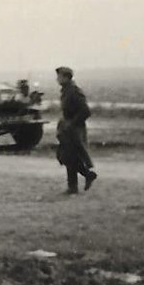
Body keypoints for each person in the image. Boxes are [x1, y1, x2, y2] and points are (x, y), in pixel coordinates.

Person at [55, 66, 97, 194]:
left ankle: (74, 186)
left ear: (67, 77)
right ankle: (86, 176)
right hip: (67, 130)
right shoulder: (66, 91)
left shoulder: (74, 91)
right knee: (67, 157)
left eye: (60, 76)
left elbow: (86, 111)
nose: (57, 79)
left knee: (69, 156)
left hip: (74, 130)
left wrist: (72, 124)